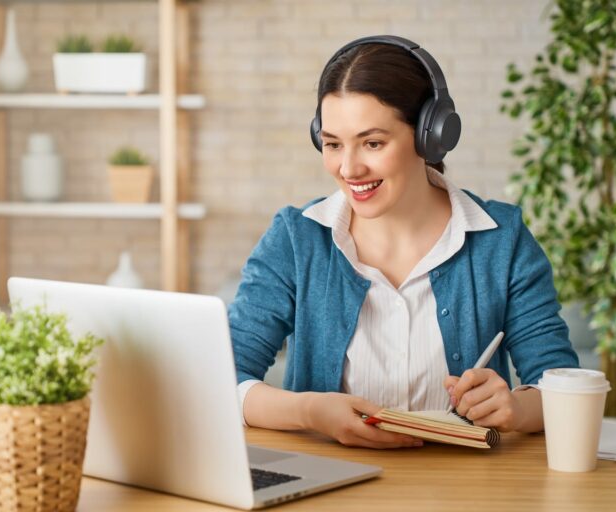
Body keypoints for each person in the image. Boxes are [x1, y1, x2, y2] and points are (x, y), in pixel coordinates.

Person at [228, 36, 579, 449]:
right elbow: (222, 377)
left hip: (468, 489)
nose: (349, 167)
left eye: (373, 143)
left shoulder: (501, 240)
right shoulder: (296, 238)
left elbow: (560, 385)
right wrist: (310, 411)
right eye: (333, 144)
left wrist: (517, 409)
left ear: (431, 134)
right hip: (326, 484)